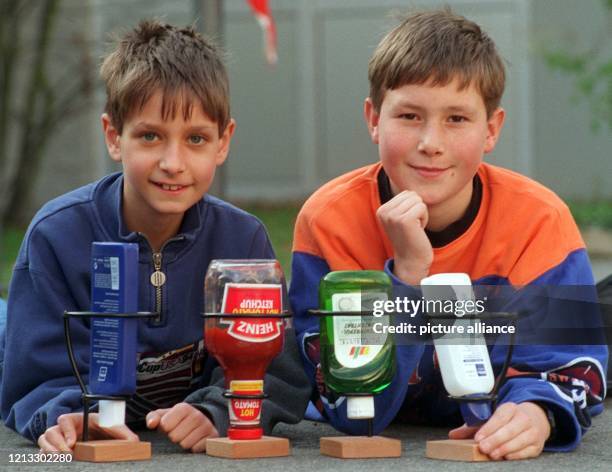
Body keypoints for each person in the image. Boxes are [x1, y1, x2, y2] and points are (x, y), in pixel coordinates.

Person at [289, 9, 607, 460]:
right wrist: (408, 276)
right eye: (410, 116)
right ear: (374, 118)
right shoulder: (329, 223)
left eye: (457, 119)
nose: (431, 142)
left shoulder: (539, 220)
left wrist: (536, 411)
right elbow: (353, 412)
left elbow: (569, 374)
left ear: (491, 129)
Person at [0, 20, 309, 453]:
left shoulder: (243, 242)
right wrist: (66, 415)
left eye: (196, 139)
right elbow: (32, 377)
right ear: (114, 136)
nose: (173, 162)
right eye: (150, 136)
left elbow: (275, 365)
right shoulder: (55, 236)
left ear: (223, 142)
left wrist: (215, 410)